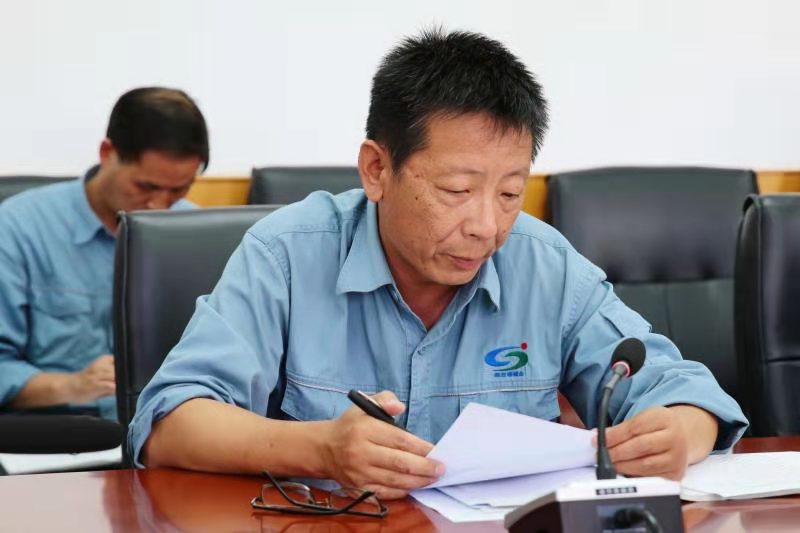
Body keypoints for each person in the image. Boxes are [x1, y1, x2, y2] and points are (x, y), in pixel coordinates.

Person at [131, 30, 747, 499]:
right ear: (377, 170)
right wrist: (318, 448)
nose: (487, 224)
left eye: (510, 192)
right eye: (457, 190)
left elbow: (685, 392)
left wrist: (679, 432)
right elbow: (168, 425)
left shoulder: (546, 266)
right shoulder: (287, 254)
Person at [0, 87, 209, 420]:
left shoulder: (196, 232)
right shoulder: (17, 228)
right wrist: (71, 386)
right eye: (146, 187)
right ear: (107, 152)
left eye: (179, 190)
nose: (159, 206)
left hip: (165, 428)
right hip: (59, 431)